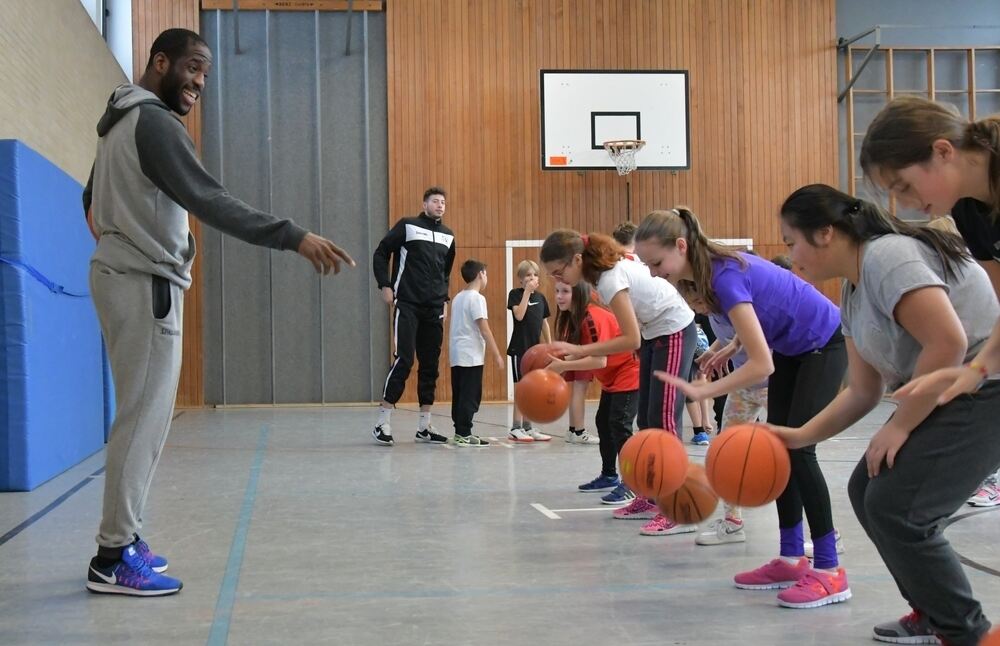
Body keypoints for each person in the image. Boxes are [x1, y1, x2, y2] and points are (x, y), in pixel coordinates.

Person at [81, 28, 355, 597]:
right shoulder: (154, 122)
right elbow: (208, 198)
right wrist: (293, 236)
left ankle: (125, 538)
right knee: (142, 420)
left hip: (122, 276)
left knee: (144, 418)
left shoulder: (118, 122)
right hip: (142, 282)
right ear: (160, 63)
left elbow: (89, 199)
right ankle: (112, 556)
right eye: (193, 68)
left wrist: (118, 237)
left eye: (206, 74)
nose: (200, 82)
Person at [773, 184, 1000, 643]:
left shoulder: (886, 256)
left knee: (896, 507)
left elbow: (949, 343)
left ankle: (967, 632)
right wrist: (799, 436)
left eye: (791, 241)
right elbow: (862, 390)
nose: (791, 254)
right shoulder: (853, 291)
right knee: (866, 489)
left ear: (825, 234)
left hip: (985, 388)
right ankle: (931, 609)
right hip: (948, 393)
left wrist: (898, 427)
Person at [635, 207, 849, 608]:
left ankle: (830, 570)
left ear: (681, 246)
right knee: (779, 449)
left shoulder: (724, 276)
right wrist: (732, 346)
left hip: (823, 342)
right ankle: (790, 558)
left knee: (800, 451)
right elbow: (766, 315)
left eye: (657, 263)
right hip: (792, 348)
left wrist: (704, 392)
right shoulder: (708, 275)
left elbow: (761, 364)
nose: (652, 273)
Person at [860, 97, 1000, 508]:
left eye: (904, 186)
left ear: (943, 151)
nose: (902, 203)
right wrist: (977, 368)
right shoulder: (969, 212)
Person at [540, 231, 697, 536]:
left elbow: (629, 339)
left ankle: (677, 506)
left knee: (664, 422)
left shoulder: (610, 278)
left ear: (577, 260)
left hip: (674, 330)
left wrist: (579, 350)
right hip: (654, 334)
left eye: (559, 272)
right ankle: (651, 496)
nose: (559, 279)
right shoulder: (602, 276)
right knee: (649, 423)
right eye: (552, 276)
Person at [372, 187, 456, 446]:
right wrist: (385, 284)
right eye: (435, 201)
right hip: (408, 305)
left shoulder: (448, 236)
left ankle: (424, 426)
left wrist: (445, 299)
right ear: (425, 203)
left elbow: (445, 271)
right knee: (405, 359)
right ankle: (382, 421)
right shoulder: (408, 226)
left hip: (434, 309)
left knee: (430, 365)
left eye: (443, 202)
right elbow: (381, 252)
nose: (440, 205)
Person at [548, 281, 640, 503]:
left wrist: (563, 366)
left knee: (619, 425)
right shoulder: (575, 317)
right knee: (603, 422)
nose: (559, 296)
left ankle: (633, 483)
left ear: (579, 293)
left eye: (565, 291)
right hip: (612, 375)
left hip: (630, 370)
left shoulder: (592, 316)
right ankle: (609, 475)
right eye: (557, 291)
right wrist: (559, 361)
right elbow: (586, 353)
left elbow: (599, 359)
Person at [449, 260, 504, 447]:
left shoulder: (458, 297)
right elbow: (484, 329)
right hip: (471, 356)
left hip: (457, 355)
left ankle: (462, 431)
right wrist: (497, 354)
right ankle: (463, 432)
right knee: (470, 395)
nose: (486, 278)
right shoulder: (477, 298)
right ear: (481, 274)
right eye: (486, 274)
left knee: (460, 393)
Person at [506, 259, 553, 442]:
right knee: (521, 389)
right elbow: (519, 315)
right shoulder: (516, 295)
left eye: (534, 275)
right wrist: (526, 292)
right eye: (528, 275)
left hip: (536, 351)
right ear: (520, 279)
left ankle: (528, 427)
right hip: (519, 349)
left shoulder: (540, 298)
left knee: (532, 389)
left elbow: (544, 323)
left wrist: (550, 345)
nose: (532, 278)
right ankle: (515, 427)